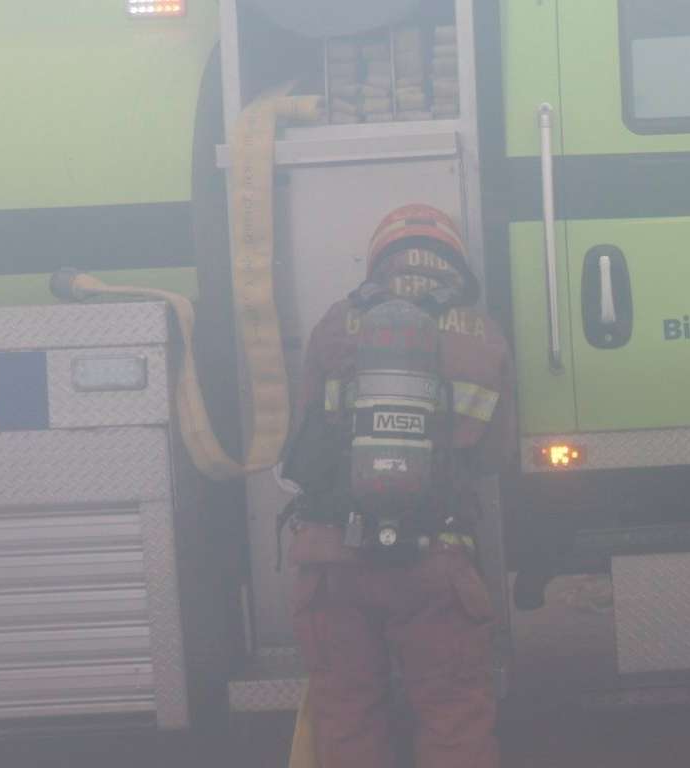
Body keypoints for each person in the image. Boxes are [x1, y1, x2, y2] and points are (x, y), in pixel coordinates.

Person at [281, 203, 515, 768]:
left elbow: (303, 439)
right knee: (453, 715)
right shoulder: (482, 334)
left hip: (332, 559)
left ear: (380, 257)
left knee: (347, 712)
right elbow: (495, 455)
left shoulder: (336, 321)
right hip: (436, 560)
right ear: (453, 260)